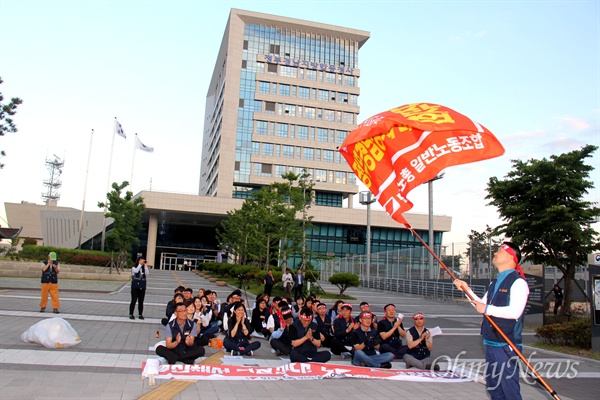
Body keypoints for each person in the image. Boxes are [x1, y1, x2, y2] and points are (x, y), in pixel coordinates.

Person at [454, 242, 529, 400]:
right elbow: (481, 304)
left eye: (499, 251)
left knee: (510, 390)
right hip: (491, 343)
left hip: (507, 345)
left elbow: (515, 312)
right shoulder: (495, 283)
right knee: (494, 388)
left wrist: (487, 309)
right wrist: (466, 289)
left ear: (510, 257)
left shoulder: (518, 283)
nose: (495, 253)